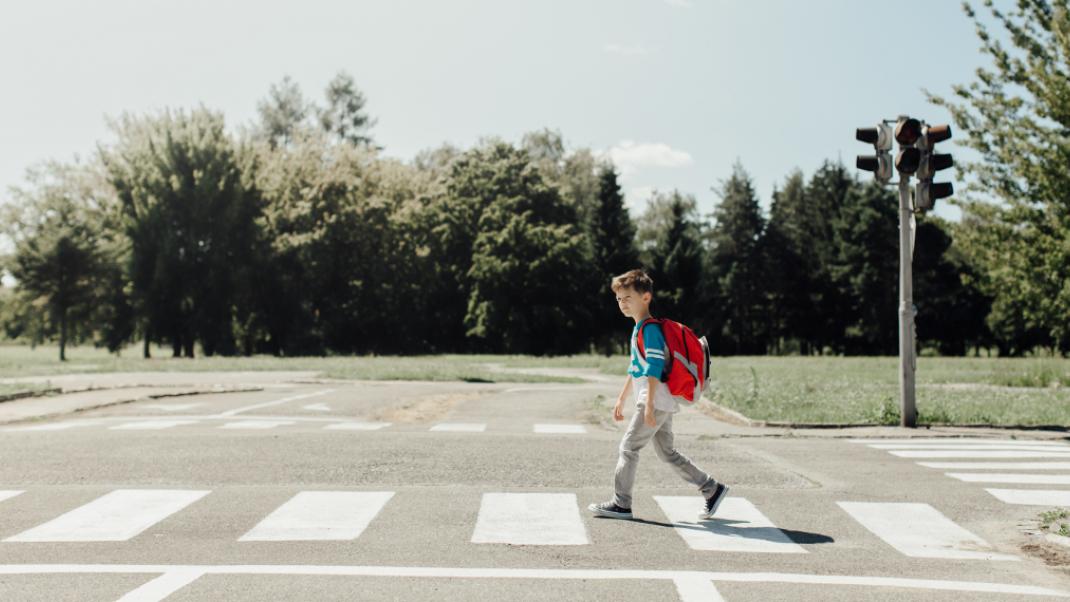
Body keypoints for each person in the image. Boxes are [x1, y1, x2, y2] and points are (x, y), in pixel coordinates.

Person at [588, 268, 729, 520]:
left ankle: (621, 504)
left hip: (656, 401)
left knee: (629, 447)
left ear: (646, 298)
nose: (622, 304)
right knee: (667, 452)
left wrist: (649, 405)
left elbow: (653, 367)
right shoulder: (639, 329)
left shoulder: (650, 330)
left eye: (628, 298)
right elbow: (635, 369)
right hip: (659, 401)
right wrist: (621, 398)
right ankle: (712, 489)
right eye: (619, 299)